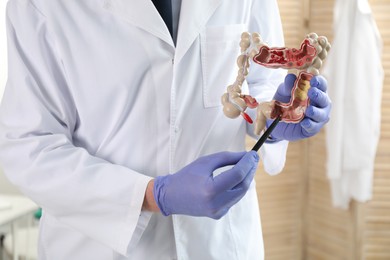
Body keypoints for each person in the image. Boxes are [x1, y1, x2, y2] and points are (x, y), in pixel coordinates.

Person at [0, 0, 331, 259]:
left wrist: (275, 115)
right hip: (101, 247)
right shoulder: (40, 5)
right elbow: (29, 145)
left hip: (221, 245)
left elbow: (260, 79)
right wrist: (151, 195)